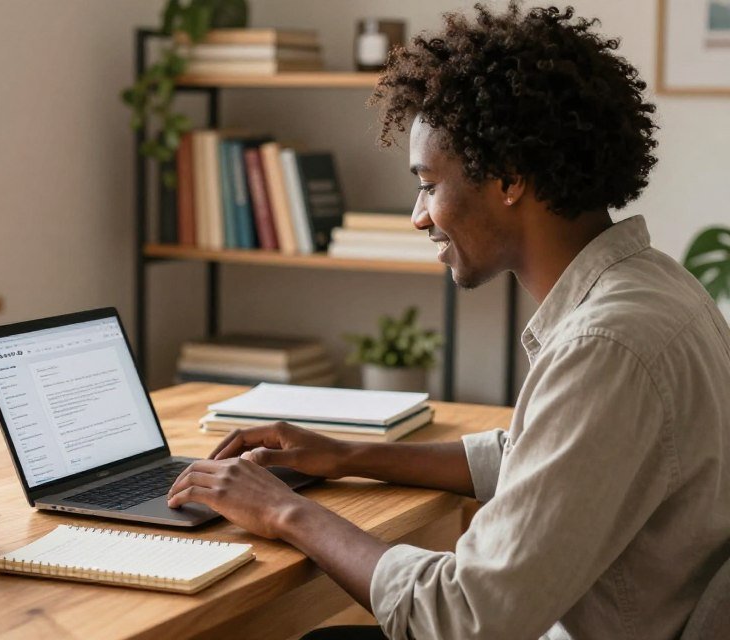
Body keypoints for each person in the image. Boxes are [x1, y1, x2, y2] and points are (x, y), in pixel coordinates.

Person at [165, 3, 730, 639]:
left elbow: (465, 618)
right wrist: (346, 455)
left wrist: (285, 512)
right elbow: (536, 458)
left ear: (510, 178)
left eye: (428, 184)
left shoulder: (607, 344)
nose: (419, 215)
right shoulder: (656, 286)